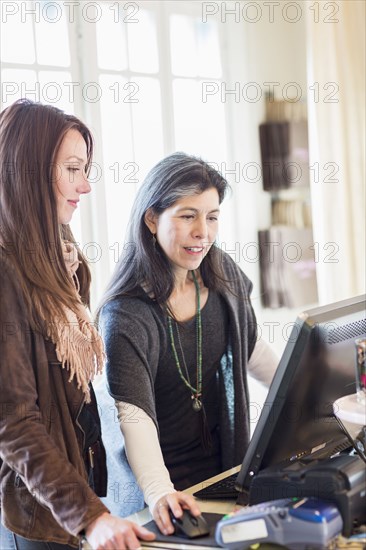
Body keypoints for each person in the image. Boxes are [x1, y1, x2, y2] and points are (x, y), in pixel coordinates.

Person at [0, 99, 155, 550]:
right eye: (72, 168)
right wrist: (90, 517)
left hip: (72, 497)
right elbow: (13, 420)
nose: (85, 185)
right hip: (36, 512)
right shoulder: (6, 270)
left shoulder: (61, 257)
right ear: (28, 171)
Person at [97, 152, 278, 535]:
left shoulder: (221, 272)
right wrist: (161, 492)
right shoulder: (125, 314)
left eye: (212, 217)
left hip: (224, 475)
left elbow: (252, 350)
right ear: (151, 219)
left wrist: (315, 397)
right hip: (164, 495)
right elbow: (134, 415)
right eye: (187, 215)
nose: (203, 233)